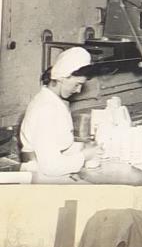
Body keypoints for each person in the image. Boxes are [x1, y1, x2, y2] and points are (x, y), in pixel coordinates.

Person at [19, 46, 96, 180]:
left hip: (50, 175)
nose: (78, 90)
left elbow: (57, 144)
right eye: (77, 84)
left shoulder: (53, 101)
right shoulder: (46, 109)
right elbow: (50, 167)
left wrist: (83, 147)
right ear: (62, 78)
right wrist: (84, 156)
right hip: (41, 179)